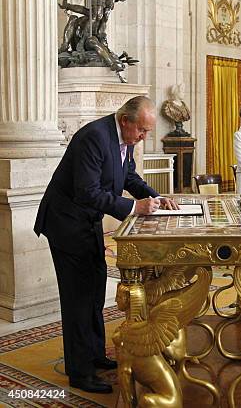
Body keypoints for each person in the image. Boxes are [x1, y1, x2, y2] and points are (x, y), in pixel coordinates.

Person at [34, 96, 178, 394]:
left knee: (96, 288)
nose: (144, 137)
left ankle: (95, 354)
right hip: (66, 224)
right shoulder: (94, 137)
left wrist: (156, 196)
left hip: (86, 223)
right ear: (125, 120)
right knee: (78, 299)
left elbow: (128, 176)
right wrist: (134, 208)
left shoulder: (121, 137)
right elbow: (87, 192)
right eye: (142, 130)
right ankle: (80, 371)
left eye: (147, 132)